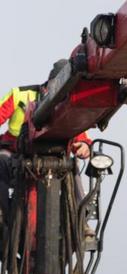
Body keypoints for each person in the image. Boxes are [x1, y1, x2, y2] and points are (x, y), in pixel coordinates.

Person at [0, 59, 92, 220]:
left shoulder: (68, 107)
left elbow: (82, 138)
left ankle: (80, 222)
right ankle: (4, 215)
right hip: (13, 152)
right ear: (49, 82)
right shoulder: (20, 95)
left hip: (54, 158)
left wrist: (84, 146)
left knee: (73, 169)